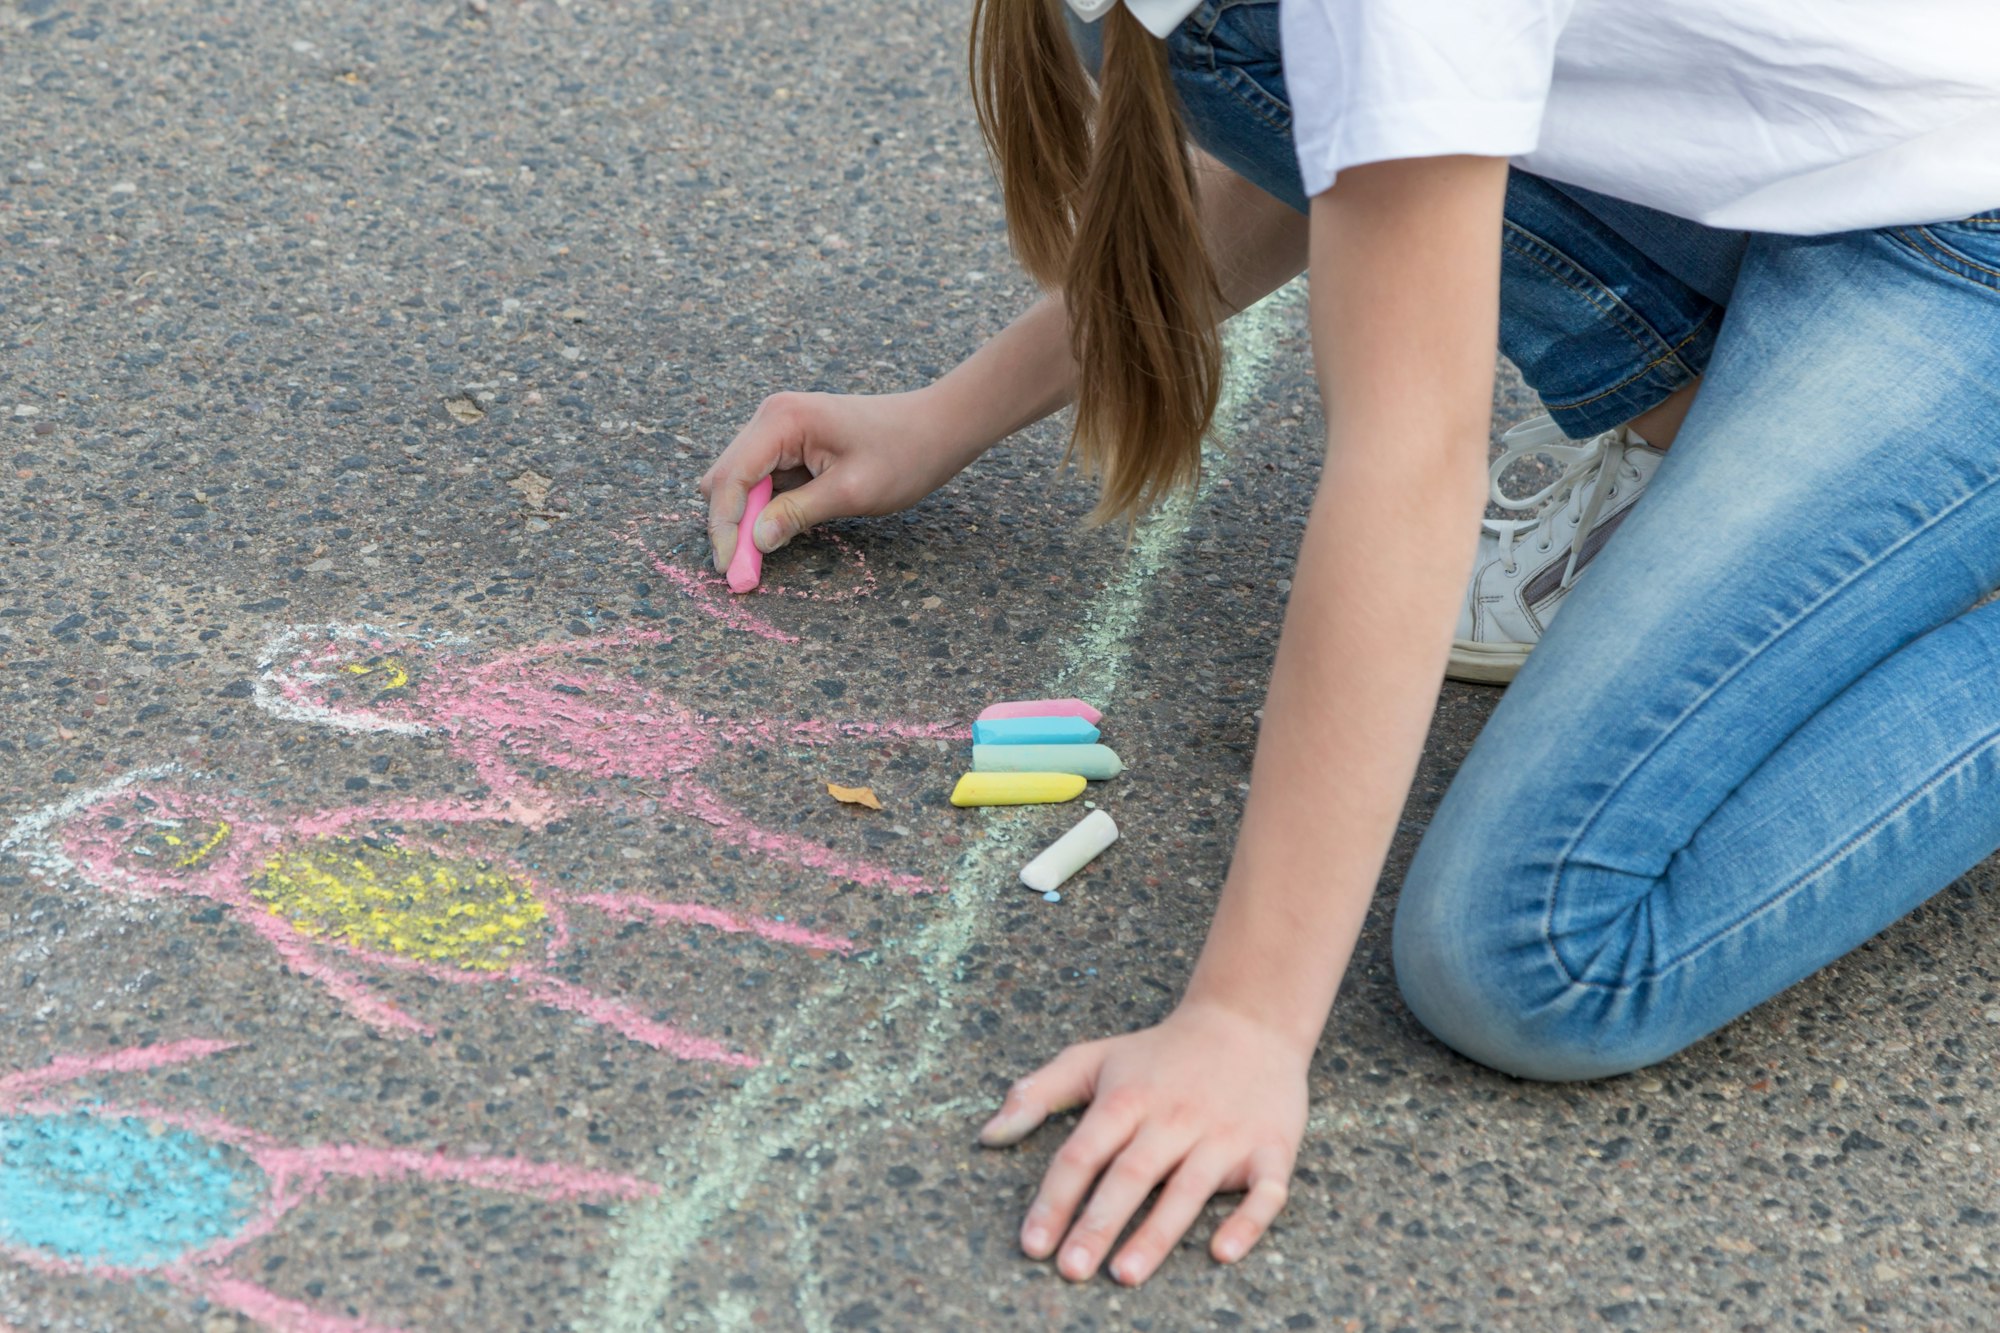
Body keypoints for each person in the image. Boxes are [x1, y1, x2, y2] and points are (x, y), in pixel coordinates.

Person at [701, 0, 2000, 1290]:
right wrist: (945, 419)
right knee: (1233, 46)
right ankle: (1790, 503)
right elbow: (1314, 131)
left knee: (1532, 948)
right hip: (1826, 189)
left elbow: (1411, 457)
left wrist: (1244, 1020)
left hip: (1958, 254)